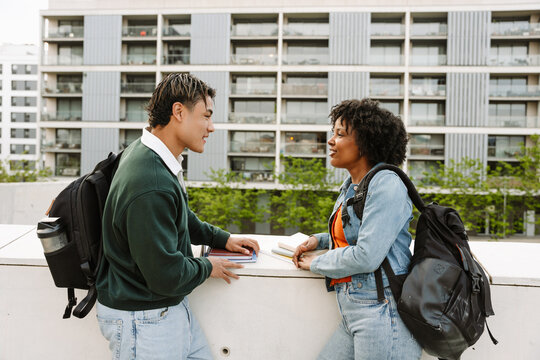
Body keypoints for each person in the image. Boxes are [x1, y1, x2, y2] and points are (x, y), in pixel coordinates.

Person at [96, 73, 259, 360]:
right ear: (179, 112)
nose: (211, 127)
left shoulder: (148, 153)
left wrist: (223, 238)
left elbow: (178, 215)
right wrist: (208, 267)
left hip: (162, 311)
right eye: (206, 116)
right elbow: (166, 275)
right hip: (144, 321)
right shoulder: (150, 180)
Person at [292, 98, 422, 360]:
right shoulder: (353, 185)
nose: (331, 140)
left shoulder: (387, 185)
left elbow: (367, 255)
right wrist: (319, 241)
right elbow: (356, 233)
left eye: (340, 134)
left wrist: (316, 263)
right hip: (356, 311)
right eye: (333, 133)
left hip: (382, 313)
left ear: (365, 143)